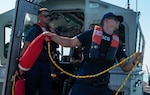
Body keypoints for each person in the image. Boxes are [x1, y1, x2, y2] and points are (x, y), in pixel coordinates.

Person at [43, 12, 142, 95]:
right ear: (106, 21)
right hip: (83, 86)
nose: (118, 21)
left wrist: (134, 62)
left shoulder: (117, 43)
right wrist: (52, 36)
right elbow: (70, 42)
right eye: (115, 19)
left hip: (102, 87)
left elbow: (125, 67)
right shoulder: (91, 33)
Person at [19, 8, 58, 95]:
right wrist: (20, 62)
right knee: (31, 88)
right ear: (39, 17)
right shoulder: (35, 30)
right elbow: (26, 46)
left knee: (46, 89)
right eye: (45, 16)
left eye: (49, 16)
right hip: (35, 63)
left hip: (46, 63)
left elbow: (63, 37)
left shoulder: (51, 30)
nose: (48, 18)